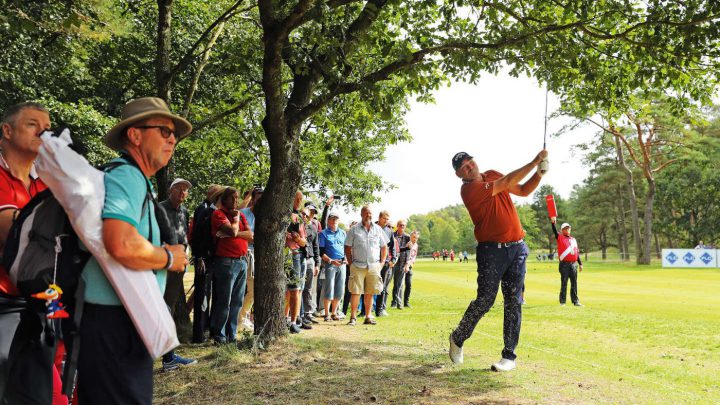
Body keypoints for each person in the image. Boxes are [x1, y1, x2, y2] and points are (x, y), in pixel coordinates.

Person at [77, 97, 190, 404]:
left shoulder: (136, 179)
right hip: (114, 321)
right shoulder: (126, 176)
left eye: (174, 135)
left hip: (120, 319)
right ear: (135, 135)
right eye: (163, 130)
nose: (171, 139)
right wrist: (169, 258)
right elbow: (121, 242)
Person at [448, 149, 547, 372]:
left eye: (470, 162)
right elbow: (508, 181)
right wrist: (533, 162)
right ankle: (458, 337)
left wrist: (539, 174)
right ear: (459, 174)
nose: (470, 167)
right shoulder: (469, 189)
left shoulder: (492, 174)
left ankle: (509, 356)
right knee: (485, 301)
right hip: (491, 251)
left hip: (517, 249)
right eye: (464, 167)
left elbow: (522, 189)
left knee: (514, 301)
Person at [0, 102, 63, 404]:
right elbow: (10, 229)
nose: (43, 132)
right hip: (4, 302)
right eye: (32, 124)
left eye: (47, 128)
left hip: (41, 301)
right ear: (7, 130)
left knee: (44, 393)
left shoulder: (47, 181)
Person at [159, 178, 197, 371]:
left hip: (178, 267)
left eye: (185, 190)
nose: (183, 193)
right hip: (161, 265)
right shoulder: (159, 209)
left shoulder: (184, 211)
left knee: (170, 308)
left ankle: (169, 356)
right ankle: (167, 357)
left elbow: (184, 236)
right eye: (179, 189)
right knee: (161, 308)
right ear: (170, 190)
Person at [210, 187, 252, 344]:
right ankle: (219, 335)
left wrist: (235, 232)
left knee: (237, 301)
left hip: (242, 261)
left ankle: (231, 334)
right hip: (226, 261)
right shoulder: (219, 214)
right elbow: (232, 231)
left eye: (237, 198)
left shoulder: (241, 216)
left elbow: (250, 236)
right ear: (224, 199)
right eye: (233, 198)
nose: (236, 201)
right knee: (224, 300)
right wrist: (234, 222)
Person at [189, 184, 224, 343]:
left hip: (214, 259)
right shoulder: (204, 210)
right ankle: (199, 334)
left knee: (212, 295)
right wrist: (199, 256)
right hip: (204, 259)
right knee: (202, 296)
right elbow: (197, 235)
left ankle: (209, 329)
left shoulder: (216, 211)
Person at [344, 206, 388, 325]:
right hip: (358, 265)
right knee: (356, 291)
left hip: (374, 266)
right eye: (366, 213)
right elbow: (347, 247)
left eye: (370, 213)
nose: (368, 215)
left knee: (370, 292)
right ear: (361, 214)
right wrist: (350, 263)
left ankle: (368, 316)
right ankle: (353, 317)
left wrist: (382, 262)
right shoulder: (354, 229)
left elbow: (384, 246)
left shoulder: (378, 229)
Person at [238, 186, 262, 332]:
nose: (260, 202)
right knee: (241, 290)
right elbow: (241, 234)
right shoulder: (243, 213)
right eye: (258, 198)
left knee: (253, 291)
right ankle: (239, 320)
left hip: (259, 255)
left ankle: (242, 317)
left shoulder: (265, 215)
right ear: (252, 199)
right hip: (244, 253)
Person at [318, 212, 347, 321]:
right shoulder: (323, 233)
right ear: (328, 221)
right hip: (329, 264)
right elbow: (321, 252)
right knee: (329, 288)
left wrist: (346, 258)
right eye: (332, 219)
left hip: (342, 264)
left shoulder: (343, 233)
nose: (334, 221)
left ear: (339, 220)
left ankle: (334, 313)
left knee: (339, 289)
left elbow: (346, 248)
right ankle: (326, 314)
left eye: (336, 219)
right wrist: (331, 260)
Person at [285, 191, 307, 333]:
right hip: (282, 254)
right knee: (283, 290)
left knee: (296, 289)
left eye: (300, 199)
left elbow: (304, 242)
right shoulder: (282, 214)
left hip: (295, 255)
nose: (298, 201)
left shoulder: (298, 218)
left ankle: (293, 322)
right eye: (296, 198)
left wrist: (298, 239)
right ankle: (283, 319)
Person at [551, 218, 584, 307]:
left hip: (573, 264)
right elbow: (554, 230)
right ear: (562, 230)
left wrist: (580, 264)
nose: (567, 230)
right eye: (565, 228)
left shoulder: (573, 240)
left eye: (568, 228)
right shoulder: (560, 237)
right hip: (564, 264)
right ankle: (563, 302)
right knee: (564, 282)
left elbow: (576, 253)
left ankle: (575, 301)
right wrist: (553, 222)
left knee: (574, 283)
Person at [301, 205, 321, 325]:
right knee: (298, 288)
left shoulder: (313, 228)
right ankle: (299, 314)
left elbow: (316, 247)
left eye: (312, 214)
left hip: (310, 260)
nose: (309, 216)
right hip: (300, 259)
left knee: (308, 289)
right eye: (308, 214)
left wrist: (317, 264)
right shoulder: (297, 226)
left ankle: (308, 314)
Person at [376, 210, 396, 317]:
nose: (386, 221)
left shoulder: (389, 231)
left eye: (387, 219)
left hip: (385, 262)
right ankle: (365, 311)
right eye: (384, 218)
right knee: (368, 286)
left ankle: (380, 310)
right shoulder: (373, 227)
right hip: (373, 261)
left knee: (382, 287)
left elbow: (393, 247)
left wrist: (392, 260)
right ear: (379, 218)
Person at [390, 219, 411, 309]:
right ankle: (390, 302)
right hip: (392, 262)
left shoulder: (407, 237)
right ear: (397, 226)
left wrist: (407, 264)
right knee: (387, 283)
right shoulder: (392, 235)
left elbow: (408, 252)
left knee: (399, 284)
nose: (402, 227)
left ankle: (398, 303)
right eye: (400, 225)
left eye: (403, 225)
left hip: (402, 263)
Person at [402, 231, 420, 308]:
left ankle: (406, 302)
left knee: (408, 285)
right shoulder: (408, 244)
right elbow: (406, 255)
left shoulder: (416, 245)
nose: (415, 239)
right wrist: (406, 265)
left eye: (416, 238)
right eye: (413, 237)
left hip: (409, 266)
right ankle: (395, 302)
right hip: (403, 265)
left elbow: (413, 256)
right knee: (399, 285)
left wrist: (412, 262)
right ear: (410, 237)